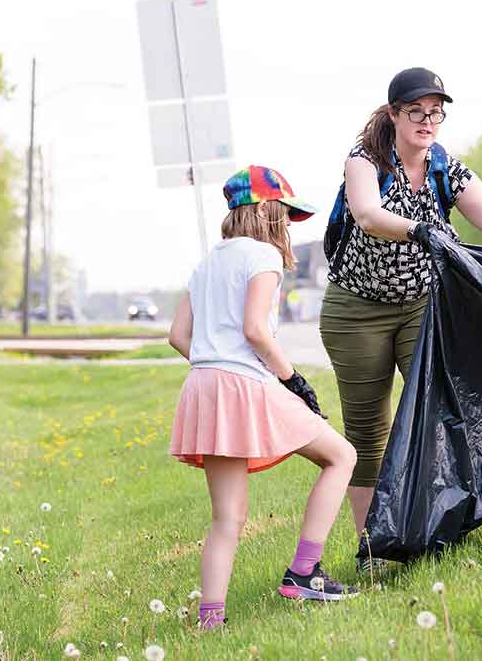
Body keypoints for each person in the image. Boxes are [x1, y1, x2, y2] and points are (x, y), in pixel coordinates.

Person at [319, 67, 482, 568]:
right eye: (416, 112)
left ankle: (434, 528)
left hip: (422, 307)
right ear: (394, 114)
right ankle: (373, 549)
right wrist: (419, 230)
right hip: (356, 311)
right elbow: (366, 214)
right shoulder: (364, 160)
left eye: (435, 113)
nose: (427, 121)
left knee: (443, 412)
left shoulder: (446, 169)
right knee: (368, 431)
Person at [168, 166, 359, 628]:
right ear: (265, 210)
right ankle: (305, 572)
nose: (287, 223)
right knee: (341, 456)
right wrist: (293, 380)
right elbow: (256, 329)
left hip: (203, 385)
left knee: (227, 518)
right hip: (243, 384)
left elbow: (177, 336)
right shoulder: (264, 256)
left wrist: (215, 359)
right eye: (284, 212)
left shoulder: (207, 262)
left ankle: (210, 622)